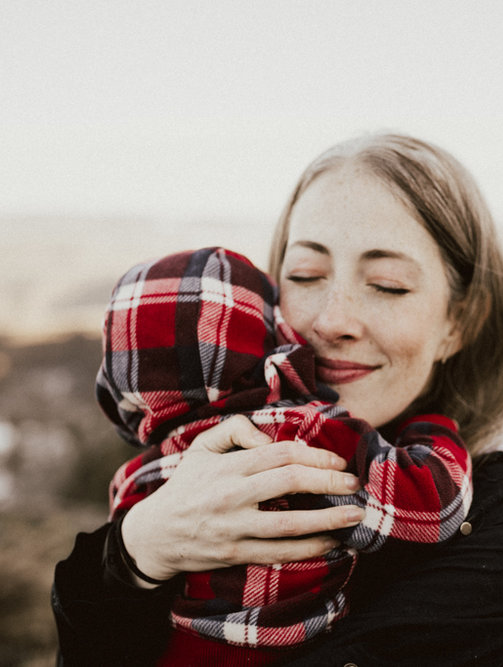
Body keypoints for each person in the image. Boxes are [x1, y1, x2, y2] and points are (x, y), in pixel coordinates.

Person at [53, 132, 503, 666]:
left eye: (388, 284)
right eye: (306, 276)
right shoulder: (209, 455)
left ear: (459, 322)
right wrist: (134, 553)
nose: (332, 321)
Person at [96, 245, 472, 665]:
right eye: (305, 276)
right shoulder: (299, 434)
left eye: (388, 286)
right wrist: (434, 427)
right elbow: (436, 507)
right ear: (268, 336)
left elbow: (115, 593)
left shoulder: (136, 475)